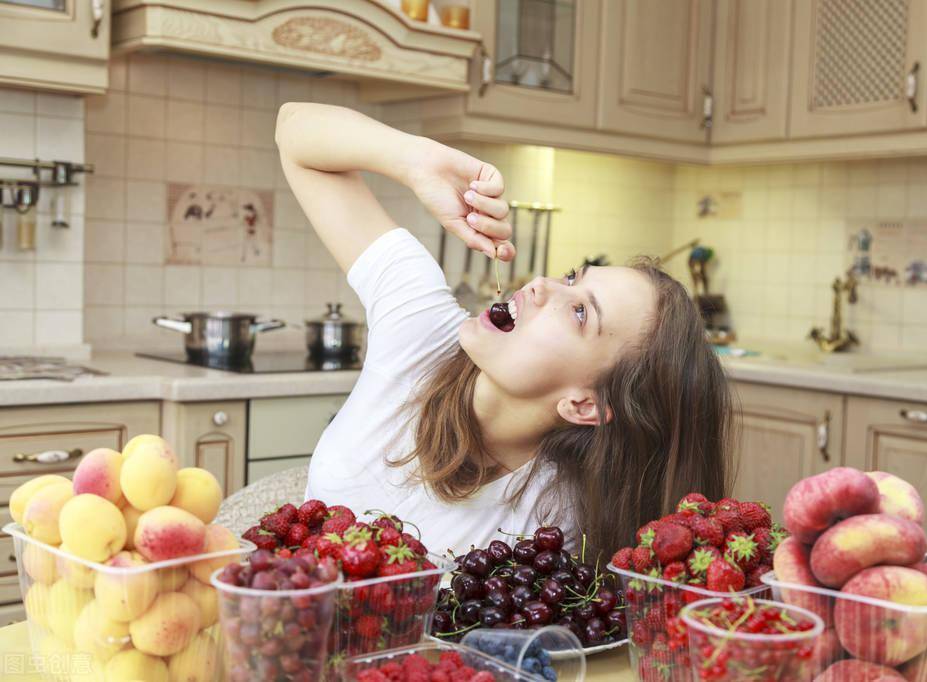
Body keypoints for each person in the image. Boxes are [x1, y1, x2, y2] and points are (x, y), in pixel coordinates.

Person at [275, 103, 733, 561]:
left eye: (578, 313)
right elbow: (294, 130)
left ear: (585, 404)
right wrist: (416, 162)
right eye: (571, 278)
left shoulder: (555, 523)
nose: (539, 285)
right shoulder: (423, 332)